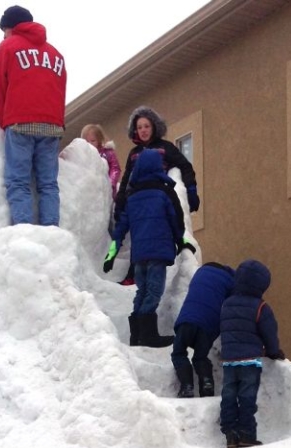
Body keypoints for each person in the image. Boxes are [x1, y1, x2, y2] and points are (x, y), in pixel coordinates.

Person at [103, 149, 191, 348]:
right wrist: (181, 241)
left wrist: (111, 255)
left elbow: (121, 228)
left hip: (139, 255)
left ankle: (137, 335)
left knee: (142, 290)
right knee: (154, 291)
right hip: (158, 252)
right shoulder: (164, 191)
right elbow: (177, 220)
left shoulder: (132, 196)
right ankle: (148, 335)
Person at [0, 6, 67, 226]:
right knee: (48, 184)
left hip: (20, 121)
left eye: (4, 29)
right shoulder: (56, 55)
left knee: (18, 182)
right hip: (52, 125)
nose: (3, 35)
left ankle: (23, 232)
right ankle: (51, 231)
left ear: (11, 28)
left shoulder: (7, 47)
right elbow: (60, 93)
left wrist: (0, 122)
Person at [115, 106, 201, 287]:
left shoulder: (165, 148)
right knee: (139, 235)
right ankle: (133, 272)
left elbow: (185, 166)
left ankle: (153, 275)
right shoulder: (134, 153)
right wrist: (121, 200)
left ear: (154, 126)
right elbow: (126, 179)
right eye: (139, 127)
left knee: (153, 233)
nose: (143, 130)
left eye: (146, 126)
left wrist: (191, 190)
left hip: (156, 196)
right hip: (137, 198)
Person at [219, 260, 285, 448]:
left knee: (229, 396)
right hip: (250, 360)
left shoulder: (227, 303)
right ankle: (247, 434)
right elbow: (269, 332)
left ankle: (230, 434)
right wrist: (273, 351)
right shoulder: (260, 307)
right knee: (247, 397)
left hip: (229, 360)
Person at [171, 263, 235, 398]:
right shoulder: (230, 282)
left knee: (179, 353)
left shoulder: (200, 273)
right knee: (200, 357)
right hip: (209, 325)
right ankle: (207, 384)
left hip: (188, 319)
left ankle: (187, 386)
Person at [80, 124, 121, 199]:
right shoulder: (83, 156)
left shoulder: (107, 153)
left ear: (99, 140)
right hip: (91, 192)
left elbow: (115, 168)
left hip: (108, 191)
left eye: (93, 141)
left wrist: (111, 183)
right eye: (87, 142)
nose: (90, 144)